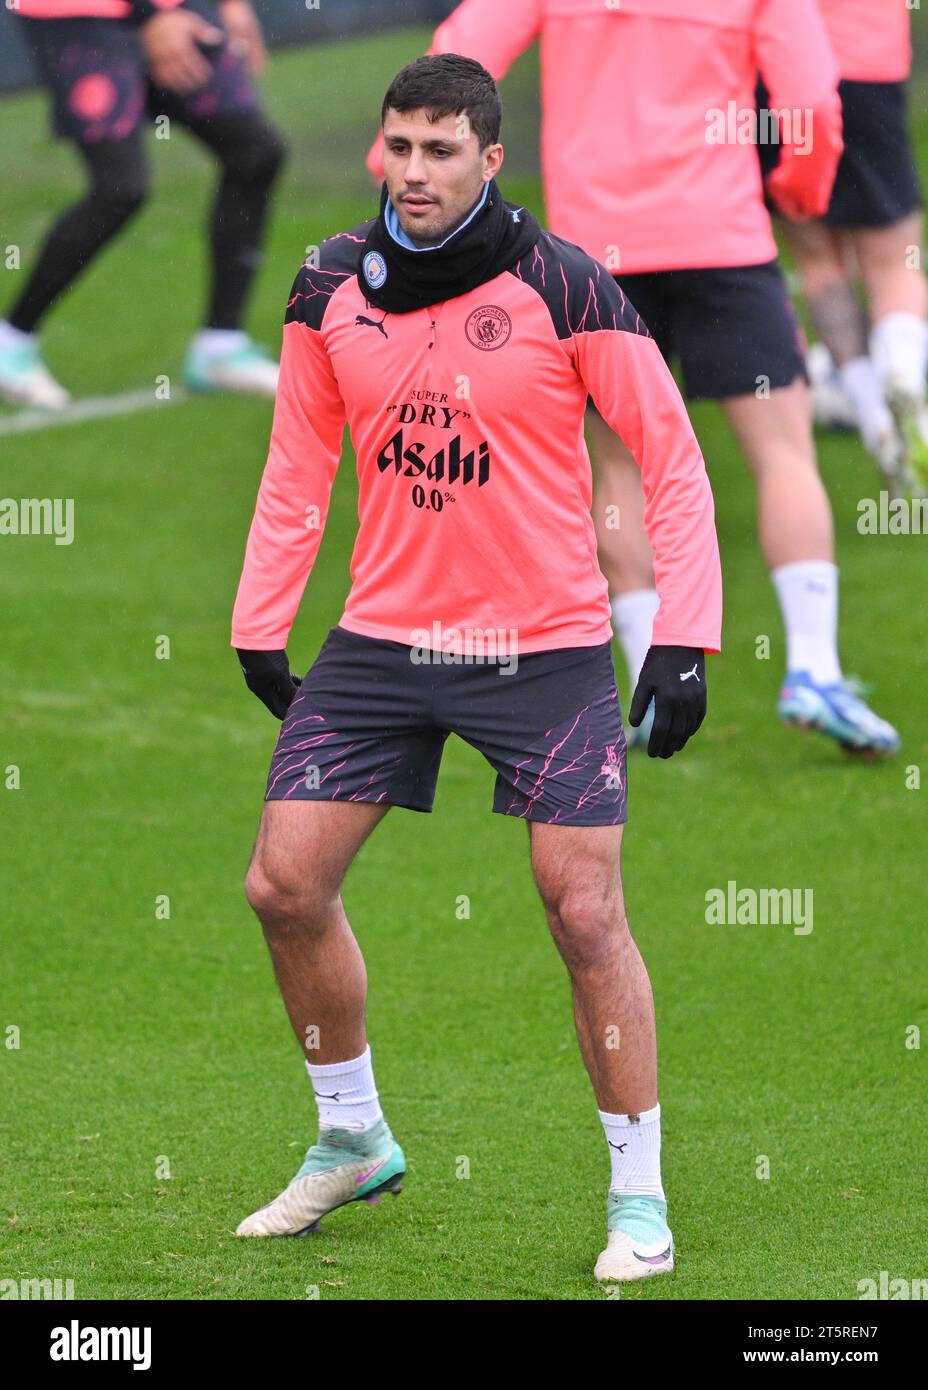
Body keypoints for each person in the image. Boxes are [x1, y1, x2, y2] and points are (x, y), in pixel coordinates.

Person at [230, 54, 722, 1283]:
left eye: (440, 150)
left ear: (491, 158)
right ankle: (350, 1136)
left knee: (582, 906)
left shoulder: (568, 286)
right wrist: (260, 622)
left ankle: (638, 1199)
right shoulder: (329, 282)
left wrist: (683, 635)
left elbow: (669, 458)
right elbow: (300, 464)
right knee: (282, 886)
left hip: (543, 650)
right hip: (384, 640)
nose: (413, 170)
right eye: (398, 146)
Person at [368, 0, 899, 758]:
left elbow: (461, 56)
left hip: (596, 256)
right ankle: (815, 667)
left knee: (617, 470)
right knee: (784, 454)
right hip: (724, 239)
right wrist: (804, 191)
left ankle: (653, 688)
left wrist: (394, 180)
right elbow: (811, 98)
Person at [0, 0, 285, 407]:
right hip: (79, 14)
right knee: (120, 188)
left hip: (172, 9)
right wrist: (153, 17)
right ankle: (10, 343)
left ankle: (220, 347)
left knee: (255, 153)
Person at [758, 0, 928, 497]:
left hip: (780, 75)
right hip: (868, 67)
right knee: (895, 261)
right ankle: (902, 373)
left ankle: (875, 419)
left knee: (818, 261)